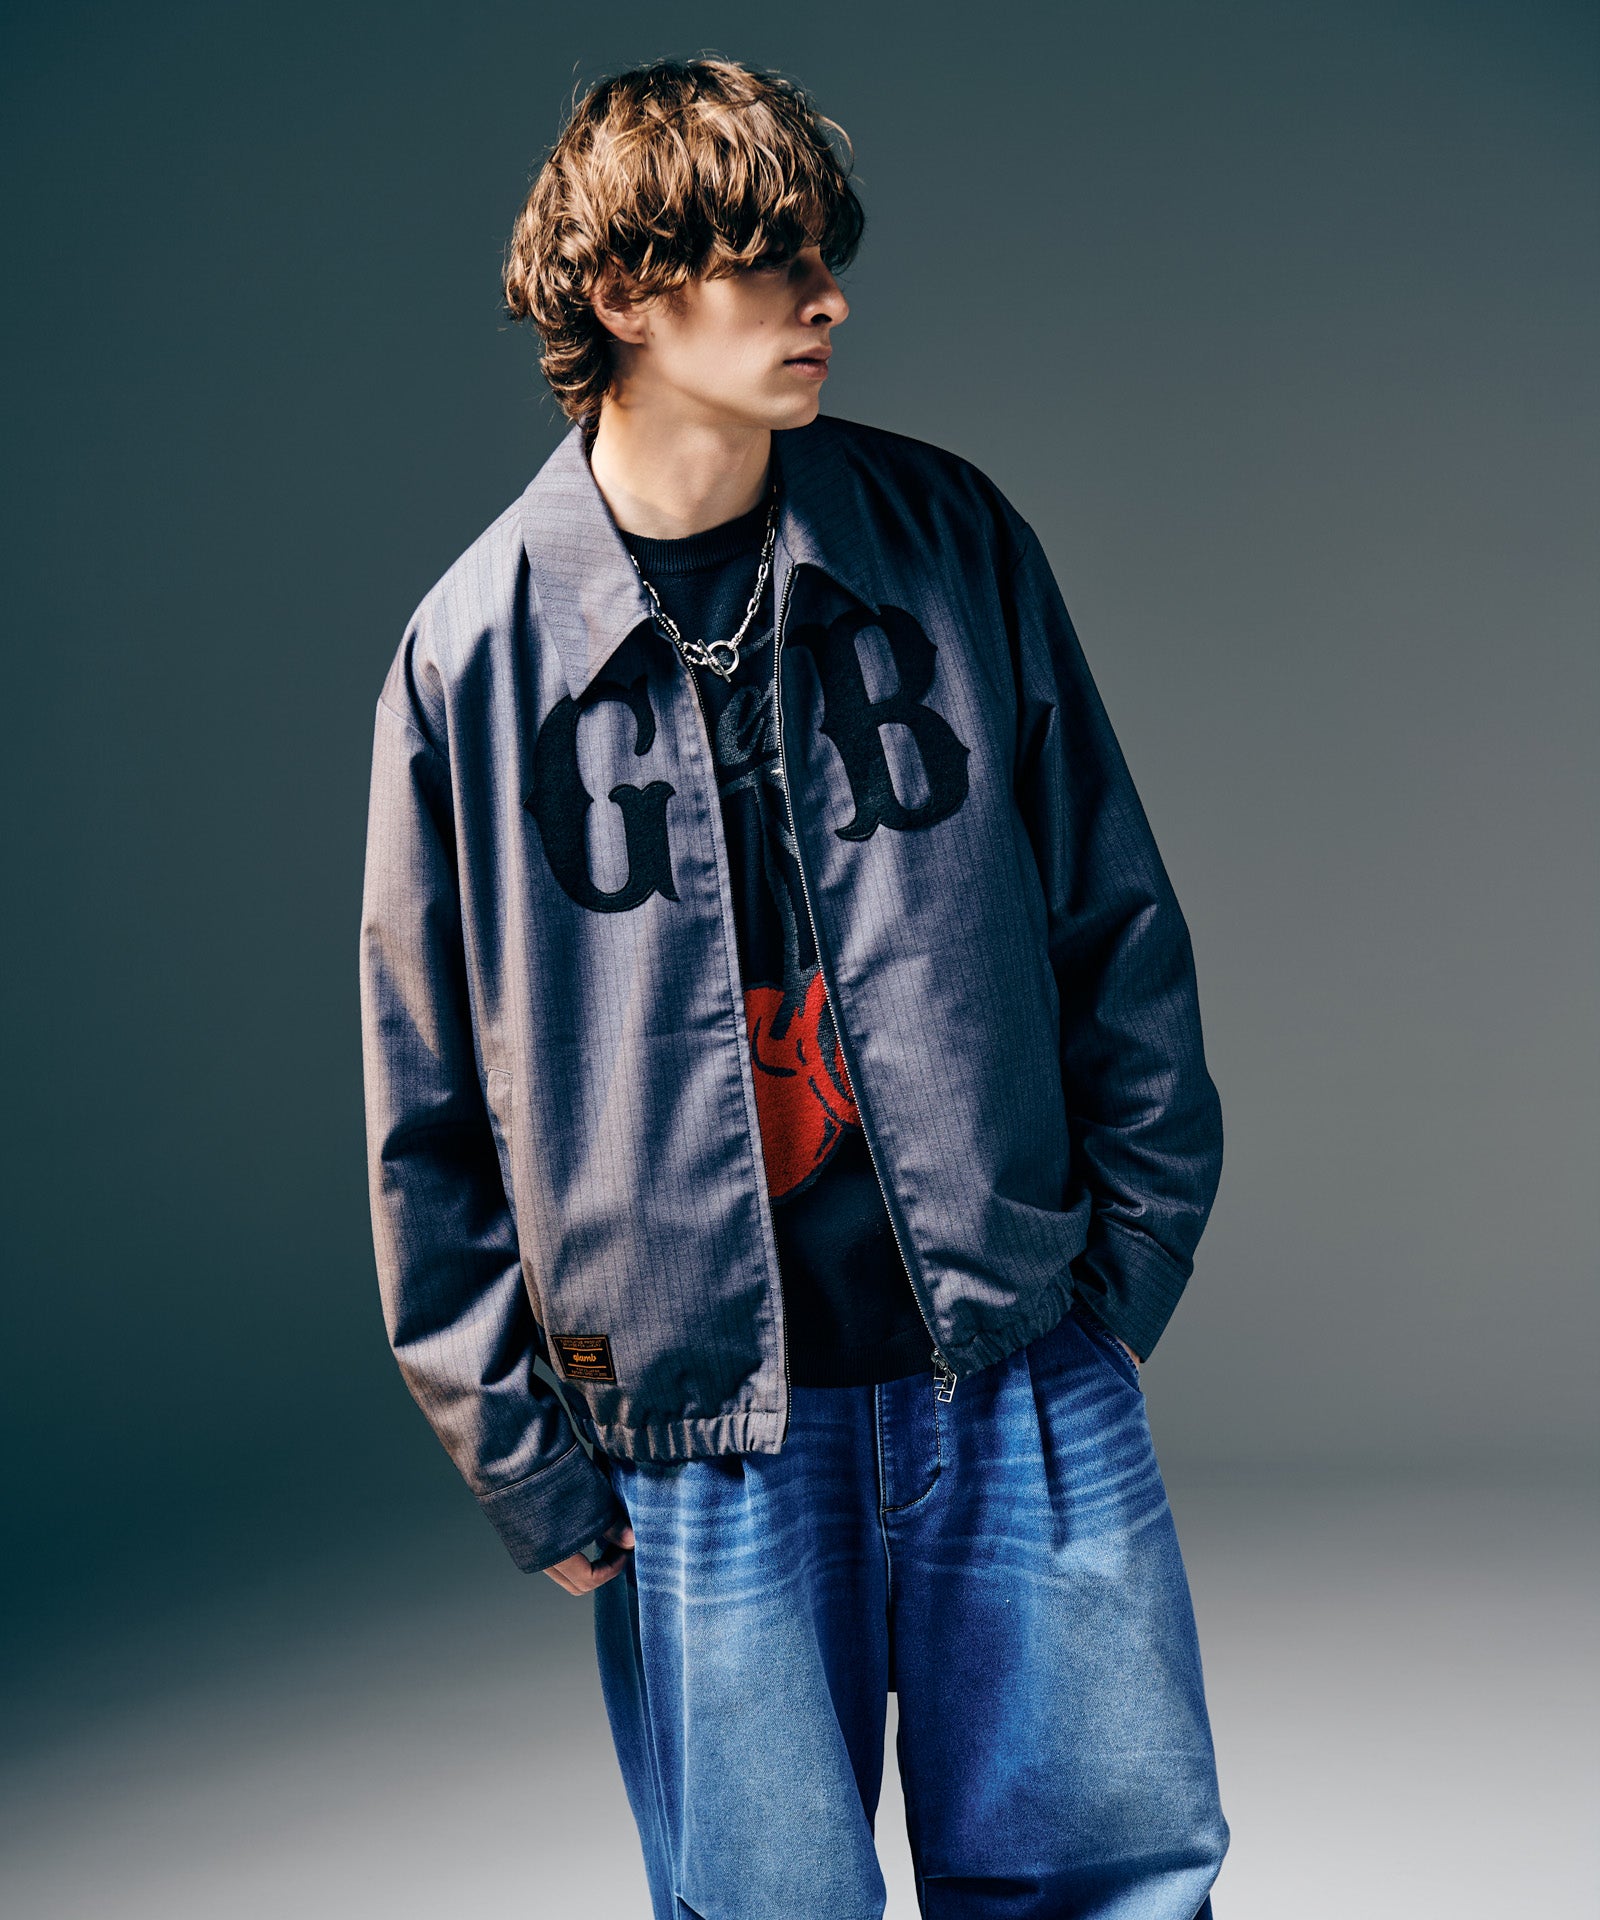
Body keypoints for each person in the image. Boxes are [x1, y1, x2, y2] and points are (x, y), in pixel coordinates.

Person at [360, 53, 1229, 1920]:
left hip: (1013, 1363)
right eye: (767, 262)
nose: (825, 297)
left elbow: (1113, 910)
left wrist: (1121, 1276)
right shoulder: (473, 657)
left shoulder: (950, 540)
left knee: (1116, 1888)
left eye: (823, 254)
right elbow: (424, 1099)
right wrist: (521, 1452)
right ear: (624, 294)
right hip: (700, 1436)